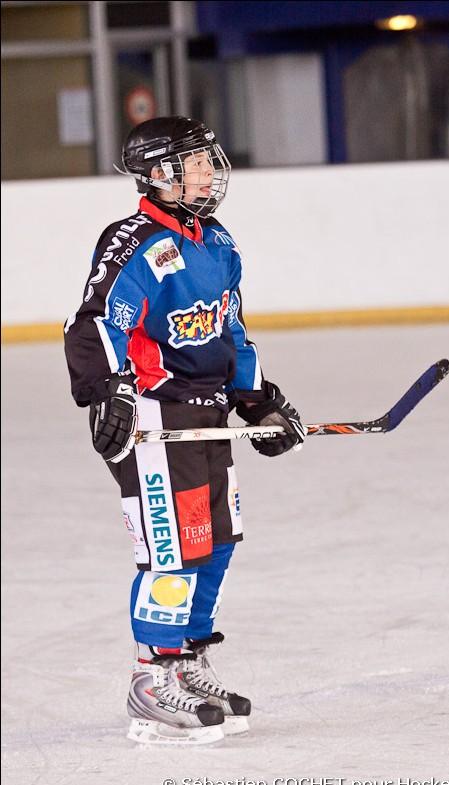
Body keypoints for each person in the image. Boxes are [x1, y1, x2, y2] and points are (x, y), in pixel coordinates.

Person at [64, 116, 306, 745]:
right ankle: (152, 677)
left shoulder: (218, 241)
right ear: (158, 174)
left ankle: (187, 661)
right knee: (172, 550)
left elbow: (231, 330)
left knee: (217, 541)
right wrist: (107, 391)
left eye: (207, 160)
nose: (208, 173)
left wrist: (257, 402)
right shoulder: (134, 241)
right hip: (154, 417)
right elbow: (96, 322)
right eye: (194, 162)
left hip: (208, 418)